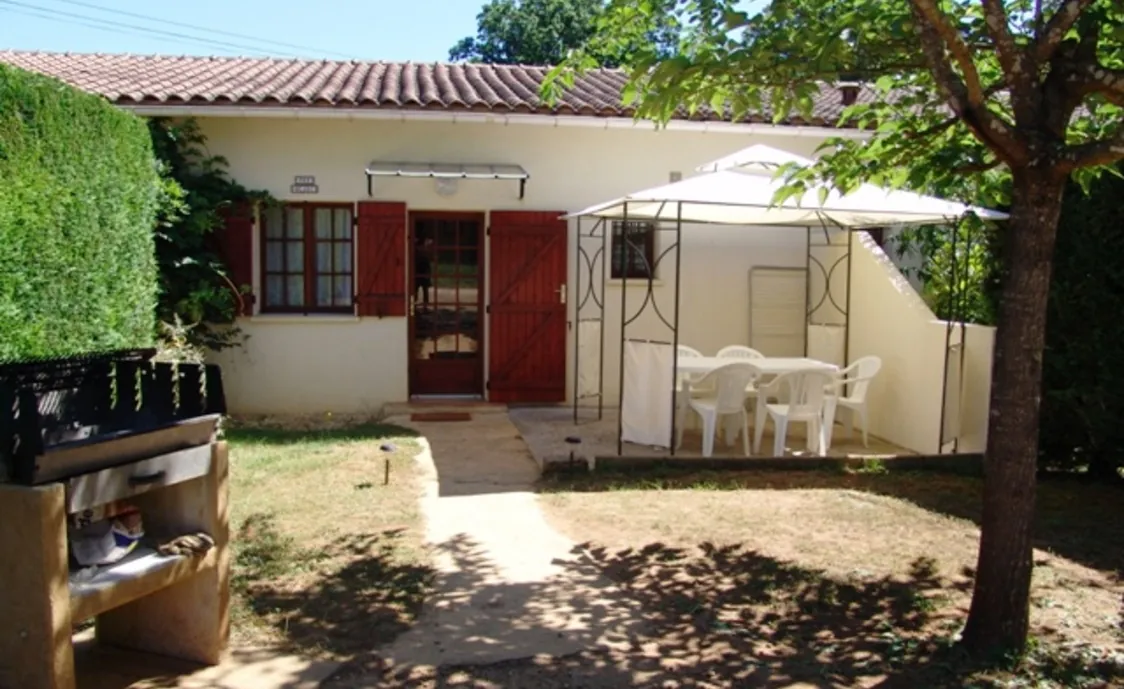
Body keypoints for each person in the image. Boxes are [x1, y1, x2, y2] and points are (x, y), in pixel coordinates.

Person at [414, 235, 434, 307]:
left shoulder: (419, 250)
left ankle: (417, 302)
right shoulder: (423, 250)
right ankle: (421, 302)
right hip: (421, 270)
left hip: (421, 270)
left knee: (419, 288)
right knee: (420, 288)